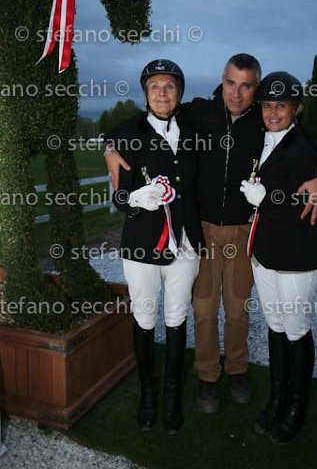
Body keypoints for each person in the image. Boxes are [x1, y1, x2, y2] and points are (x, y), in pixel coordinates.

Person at [105, 54, 317, 414]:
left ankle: (238, 370)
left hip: (245, 229)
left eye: (246, 86)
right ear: (222, 81)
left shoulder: (264, 119)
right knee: (204, 308)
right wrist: (109, 147)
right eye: (230, 83)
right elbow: (141, 120)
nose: (236, 93)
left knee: (238, 309)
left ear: (257, 89)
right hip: (204, 228)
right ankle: (208, 376)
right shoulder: (199, 112)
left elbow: (315, 139)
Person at [240, 71, 317, 443]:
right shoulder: (264, 135)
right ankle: (277, 398)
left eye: (281, 106)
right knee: (275, 324)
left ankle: (297, 407)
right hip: (265, 250)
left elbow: (305, 212)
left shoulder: (304, 147)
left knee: (296, 328)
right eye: (267, 105)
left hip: (297, 253)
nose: (273, 113)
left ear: (296, 109)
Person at [111, 59, 204, 434]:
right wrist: (135, 198)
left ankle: (172, 395)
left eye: (169, 86)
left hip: (185, 244)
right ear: (145, 93)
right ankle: (148, 394)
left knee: (177, 317)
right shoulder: (128, 133)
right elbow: (118, 196)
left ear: (179, 92)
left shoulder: (194, 128)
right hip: (141, 246)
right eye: (154, 87)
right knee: (145, 318)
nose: (162, 93)